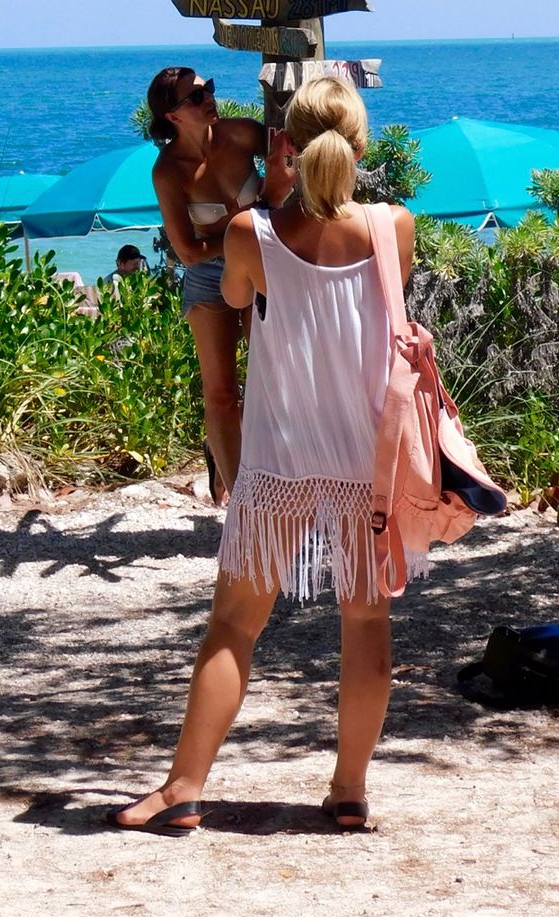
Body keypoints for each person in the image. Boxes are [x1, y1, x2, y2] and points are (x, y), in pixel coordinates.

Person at [110, 75, 415, 838]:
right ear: (359, 145)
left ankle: (183, 787)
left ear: (285, 145)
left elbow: (237, 298)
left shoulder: (253, 233)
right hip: (364, 457)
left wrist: (275, 194)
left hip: (280, 454)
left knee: (234, 628)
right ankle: (349, 791)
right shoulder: (394, 226)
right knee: (366, 623)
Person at [146, 67, 292, 502]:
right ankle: (241, 501)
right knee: (222, 392)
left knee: (272, 381)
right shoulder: (169, 171)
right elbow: (187, 253)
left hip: (263, 265)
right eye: (194, 97)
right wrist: (252, 214)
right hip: (209, 278)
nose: (208, 97)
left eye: (207, 89)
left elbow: (292, 158)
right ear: (172, 117)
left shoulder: (244, 135)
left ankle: (270, 475)